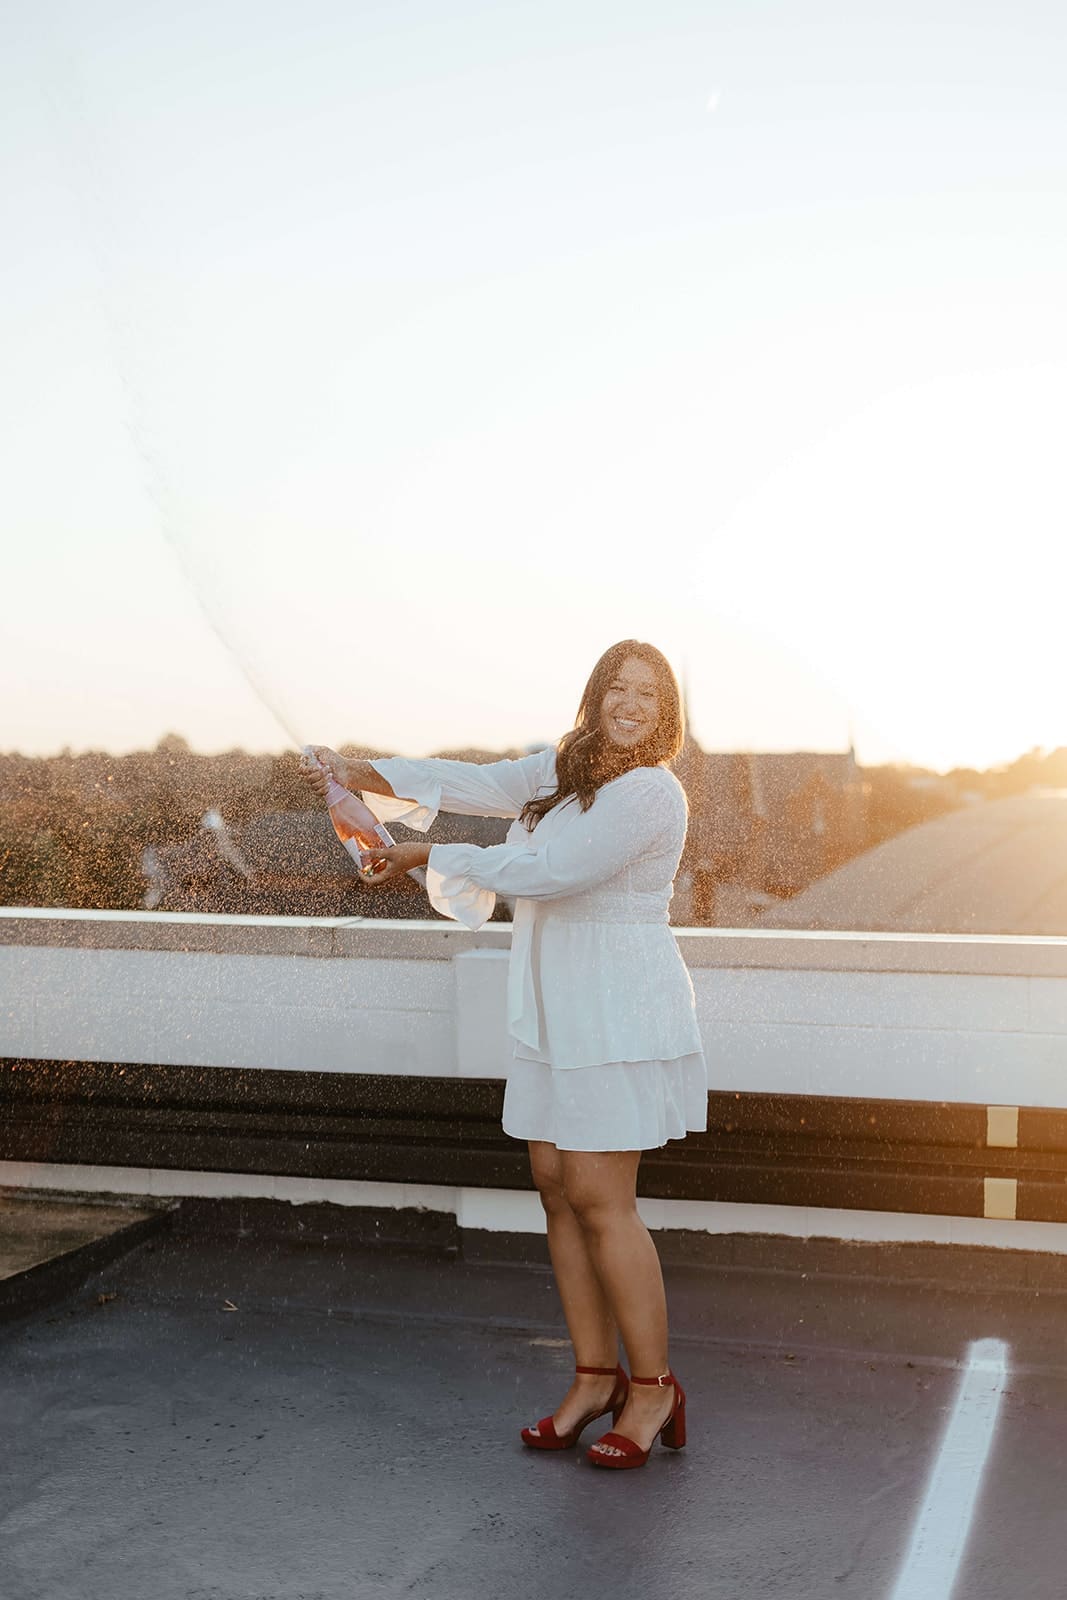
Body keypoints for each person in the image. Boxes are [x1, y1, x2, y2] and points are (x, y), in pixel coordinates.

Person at [300, 639, 707, 1470]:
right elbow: (472, 782)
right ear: (595, 697)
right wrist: (360, 771)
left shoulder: (651, 794)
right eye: (617, 688)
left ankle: (655, 1389)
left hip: (616, 1008)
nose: (630, 704)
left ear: (667, 711)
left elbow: (553, 870)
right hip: (556, 1003)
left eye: (648, 694)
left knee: (602, 1196)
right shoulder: (568, 767)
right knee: (557, 1189)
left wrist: (425, 854)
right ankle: (594, 1379)